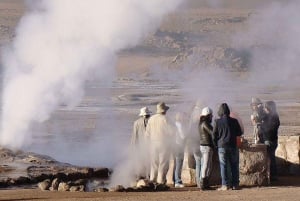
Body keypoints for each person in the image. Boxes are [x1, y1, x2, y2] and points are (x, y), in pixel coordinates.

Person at [213, 103, 243, 191]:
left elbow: (214, 135)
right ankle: (235, 184)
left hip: (222, 146)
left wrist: (215, 144)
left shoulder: (217, 122)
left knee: (223, 165)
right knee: (234, 165)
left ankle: (225, 185)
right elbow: (239, 133)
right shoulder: (234, 121)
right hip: (233, 145)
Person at [146, 102, 174, 184]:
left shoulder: (151, 119)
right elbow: (172, 131)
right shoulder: (166, 119)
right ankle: (160, 182)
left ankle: (152, 180)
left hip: (152, 143)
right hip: (163, 143)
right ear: (164, 110)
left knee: (154, 163)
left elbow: (147, 134)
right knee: (163, 163)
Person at [261, 101, 280, 182]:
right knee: (272, 158)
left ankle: (272, 176)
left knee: (270, 158)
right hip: (273, 139)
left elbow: (269, 129)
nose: (264, 109)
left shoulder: (272, 117)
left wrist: (261, 126)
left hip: (269, 140)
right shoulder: (275, 116)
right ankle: (273, 176)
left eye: (265, 107)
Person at [131, 107, 152, 179]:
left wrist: (133, 147)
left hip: (140, 145)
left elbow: (134, 136)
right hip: (150, 145)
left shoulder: (136, 122)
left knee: (140, 160)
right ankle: (149, 176)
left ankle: (139, 176)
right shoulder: (151, 121)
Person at [198, 107, 214, 190]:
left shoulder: (201, 123)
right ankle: (204, 184)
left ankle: (204, 183)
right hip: (206, 146)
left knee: (206, 165)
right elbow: (212, 132)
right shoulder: (205, 123)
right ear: (208, 115)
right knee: (206, 165)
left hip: (203, 145)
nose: (212, 117)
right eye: (211, 115)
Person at [188, 101, 202, 188]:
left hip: (193, 143)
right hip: (197, 143)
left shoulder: (191, 122)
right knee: (199, 162)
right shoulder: (197, 123)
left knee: (197, 162)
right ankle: (199, 181)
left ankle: (197, 181)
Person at [173, 112, 187, 188]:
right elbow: (183, 136)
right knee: (179, 164)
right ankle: (177, 181)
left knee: (175, 163)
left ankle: (174, 179)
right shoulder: (180, 125)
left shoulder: (173, 124)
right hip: (179, 145)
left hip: (174, 145)